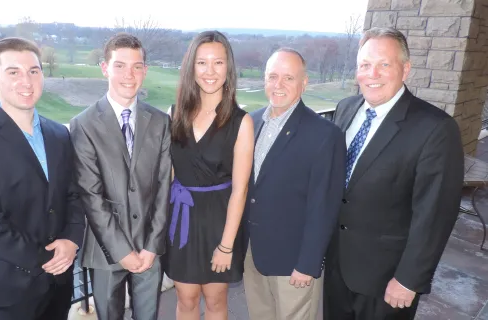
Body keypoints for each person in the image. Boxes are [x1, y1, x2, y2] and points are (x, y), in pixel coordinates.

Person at [324, 27, 464, 320]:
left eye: (384, 64)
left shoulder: (435, 128)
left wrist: (409, 279)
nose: (372, 74)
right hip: (336, 268)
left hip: (386, 281)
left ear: (406, 69)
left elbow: (435, 215)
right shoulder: (345, 108)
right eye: (365, 65)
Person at [0, 37, 85, 320]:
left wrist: (72, 241)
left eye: (34, 71)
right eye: (14, 72)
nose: (27, 81)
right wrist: (44, 258)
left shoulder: (59, 134)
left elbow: (73, 194)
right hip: (12, 287)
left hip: (59, 280)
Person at [69, 33, 172, 320]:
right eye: (120, 65)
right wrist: (122, 251)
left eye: (137, 66)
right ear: (105, 67)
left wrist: (152, 246)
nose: (130, 74)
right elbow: (91, 196)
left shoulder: (161, 122)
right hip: (105, 250)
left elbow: (164, 186)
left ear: (145, 70)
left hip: (150, 248)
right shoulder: (84, 124)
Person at [242, 48, 346, 320]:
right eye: (272, 76)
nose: (278, 85)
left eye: (288, 78)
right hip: (253, 255)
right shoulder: (250, 123)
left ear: (304, 82)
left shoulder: (325, 135)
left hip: (293, 262)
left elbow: (324, 206)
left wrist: (309, 264)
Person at [163, 30, 254, 320]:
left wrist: (226, 246)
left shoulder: (242, 122)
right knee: (186, 298)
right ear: (192, 67)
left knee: (215, 301)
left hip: (219, 224)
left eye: (218, 62)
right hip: (182, 220)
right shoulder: (174, 113)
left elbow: (240, 190)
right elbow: (171, 174)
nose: (210, 71)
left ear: (229, 68)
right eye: (202, 63)